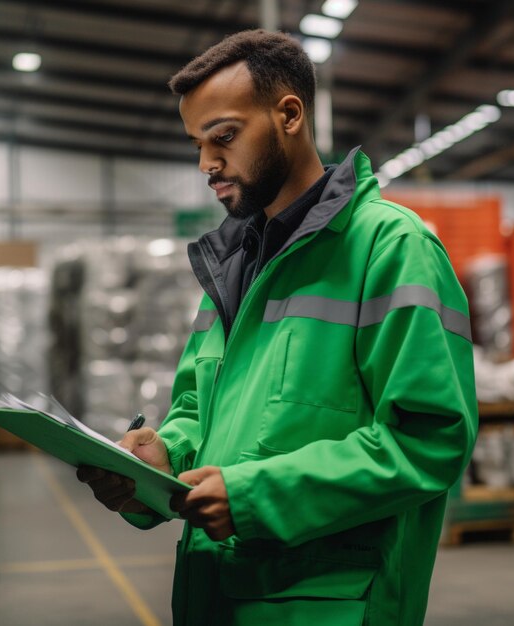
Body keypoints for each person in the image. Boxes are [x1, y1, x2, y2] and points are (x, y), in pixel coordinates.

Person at [77, 29, 478, 626]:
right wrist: (160, 458)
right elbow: (199, 408)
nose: (207, 164)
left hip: (328, 606)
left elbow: (429, 440)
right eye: (197, 144)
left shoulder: (390, 248)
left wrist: (255, 495)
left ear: (289, 114)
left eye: (224, 138)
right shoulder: (235, 263)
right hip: (217, 596)